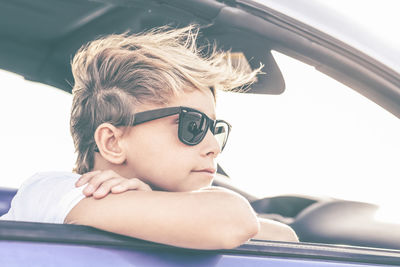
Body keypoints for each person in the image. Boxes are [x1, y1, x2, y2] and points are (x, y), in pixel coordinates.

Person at [1, 25, 298, 249]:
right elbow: (236, 220)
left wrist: (151, 197)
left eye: (214, 129)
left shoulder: (167, 209)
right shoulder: (55, 193)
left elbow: (285, 237)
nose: (212, 148)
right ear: (112, 143)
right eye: (192, 126)